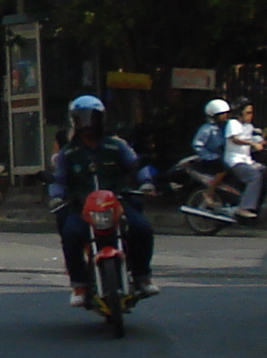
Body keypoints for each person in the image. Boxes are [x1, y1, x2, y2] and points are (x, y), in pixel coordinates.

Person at [47, 93, 156, 304]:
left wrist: (146, 183)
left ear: (101, 119)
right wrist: (56, 197)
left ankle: (143, 277)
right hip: (81, 207)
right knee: (70, 235)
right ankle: (79, 285)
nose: (88, 123)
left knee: (142, 228)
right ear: (74, 121)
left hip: (117, 203)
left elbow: (136, 166)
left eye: (92, 118)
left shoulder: (117, 146)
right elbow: (58, 180)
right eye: (82, 118)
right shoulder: (67, 153)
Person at [177, 96, 233, 210]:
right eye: (222, 114)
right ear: (214, 115)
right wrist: (210, 156)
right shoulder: (206, 129)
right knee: (223, 169)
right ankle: (209, 193)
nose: (225, 116)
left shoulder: (227, 127)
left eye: (226, 113)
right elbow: (197, 145)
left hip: (223, 157)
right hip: (210, 159)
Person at [225, 101, 267, 217]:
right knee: (254, 177)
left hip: (247, 160)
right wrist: (252, 143)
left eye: (251, 113)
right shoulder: (233, 123)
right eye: (248, 113)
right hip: (235, 160)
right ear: (240, 114)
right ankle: (244, 207)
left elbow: (255, 137)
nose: (251, 115)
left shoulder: (249, 126)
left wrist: (262, 142)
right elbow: (235, 139)